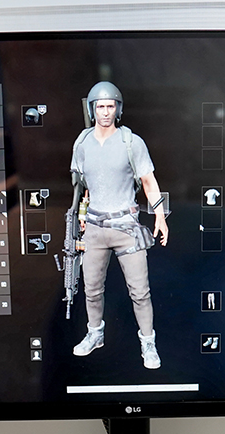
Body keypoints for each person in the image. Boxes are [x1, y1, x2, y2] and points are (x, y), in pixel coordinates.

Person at [70, 81, 169, 369]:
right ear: (92, 109)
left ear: (118, 108)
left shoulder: (131, 142)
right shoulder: (82, 143)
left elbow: (149, 181)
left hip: (126, 227)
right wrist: (79, 217)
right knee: (91, 289)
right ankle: (95, 334)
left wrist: (160, 216)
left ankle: (148, 343)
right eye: (100, 106)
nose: (105, 111)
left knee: (140, 291)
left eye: (110, 106)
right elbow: (82, 187)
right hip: (95, 227)